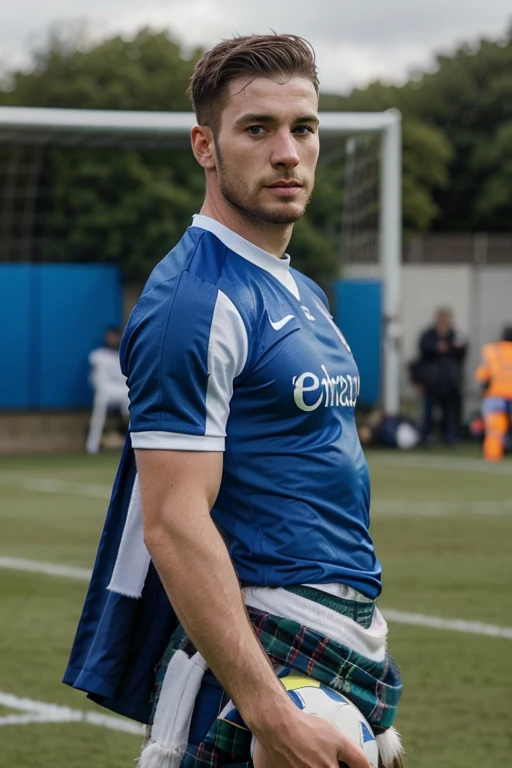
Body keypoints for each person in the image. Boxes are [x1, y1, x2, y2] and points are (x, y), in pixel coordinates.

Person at [63, 35, 403, 768]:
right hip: (266, 637)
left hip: (345, 631)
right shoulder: (197, 299)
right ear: (205, 146)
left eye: (303, 128)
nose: (287, 152)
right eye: (258, 129)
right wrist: (268, 710)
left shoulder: (299, 287)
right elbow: (174, 521)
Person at [413, 308, 467, 446]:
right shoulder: (428, 335)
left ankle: (450, 437)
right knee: (428, 412)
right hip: (431, 381)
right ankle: (425, 437)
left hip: (450, 382)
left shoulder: (456, 335)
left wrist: (447, 347)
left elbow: (463, 349)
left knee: (450, 413)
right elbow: (423, 350)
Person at [85, 326, 129, 454]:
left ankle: (131, 442)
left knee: (132, 403)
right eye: (110, 336)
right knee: (101, 401)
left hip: (124, 390)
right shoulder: (98, 355)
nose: (113, 339)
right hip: (105, 391)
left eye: (116, 336)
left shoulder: (124, 355)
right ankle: (92, 445)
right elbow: (96, 379)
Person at [474, 325, 512, 461]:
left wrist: (483, 391)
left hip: (495, 396)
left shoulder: (492, 351)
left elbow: (482, 376)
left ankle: (492, 456)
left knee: (495, 430)